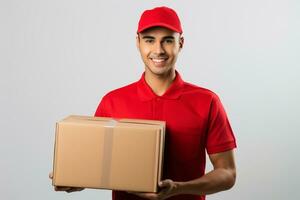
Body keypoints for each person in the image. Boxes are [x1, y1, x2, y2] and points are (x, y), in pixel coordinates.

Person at [50, 6, 237, 200]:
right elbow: (96, 167)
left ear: (180, 43)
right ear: (138, 42)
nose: (158, 50)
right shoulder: (113, 102)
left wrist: (179, 188)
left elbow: (228, 173)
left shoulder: (207, 102)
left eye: (167, 40)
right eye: (149, 40)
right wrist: (73, 178)